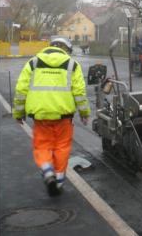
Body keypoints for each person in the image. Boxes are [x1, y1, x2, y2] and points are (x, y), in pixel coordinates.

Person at [12, 37, 90, 196]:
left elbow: (21, 90)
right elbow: (79, 93)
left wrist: (18, 113)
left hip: (41, 117)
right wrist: (84, 113)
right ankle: (59, 180)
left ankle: (48, 171)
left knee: (42, 145)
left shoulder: (33, 63)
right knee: (62, 147)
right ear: (66, 50)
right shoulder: (72, 64)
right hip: (64, 117)